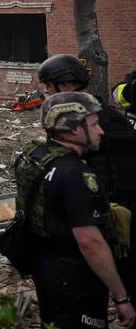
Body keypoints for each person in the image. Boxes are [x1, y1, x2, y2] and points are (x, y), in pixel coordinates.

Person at [13, 91, 134, 329]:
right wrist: (122, 297)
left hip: (46, 269)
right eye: (94, 124)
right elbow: (90, 242)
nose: (101, 131)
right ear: (74, 129)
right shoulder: (77, 175)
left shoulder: (37, 156)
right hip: (75, 279)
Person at [37, 55, 136, 298]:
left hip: (115, 215)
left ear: (65, 85)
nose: (47, 93)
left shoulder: (92, 123)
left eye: (49, 87)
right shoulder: (96, 115)